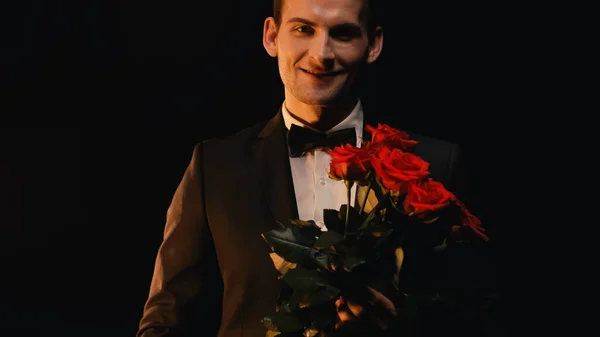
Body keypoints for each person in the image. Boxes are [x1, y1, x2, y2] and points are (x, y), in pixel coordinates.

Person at [136, 0, 500, 336]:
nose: (321, 54)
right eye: (303, 29)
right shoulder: (215, 166)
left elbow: (482, 317)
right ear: (272, 36)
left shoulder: (438, 164)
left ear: (373, 45)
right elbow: (166, 319)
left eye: (342, 33)